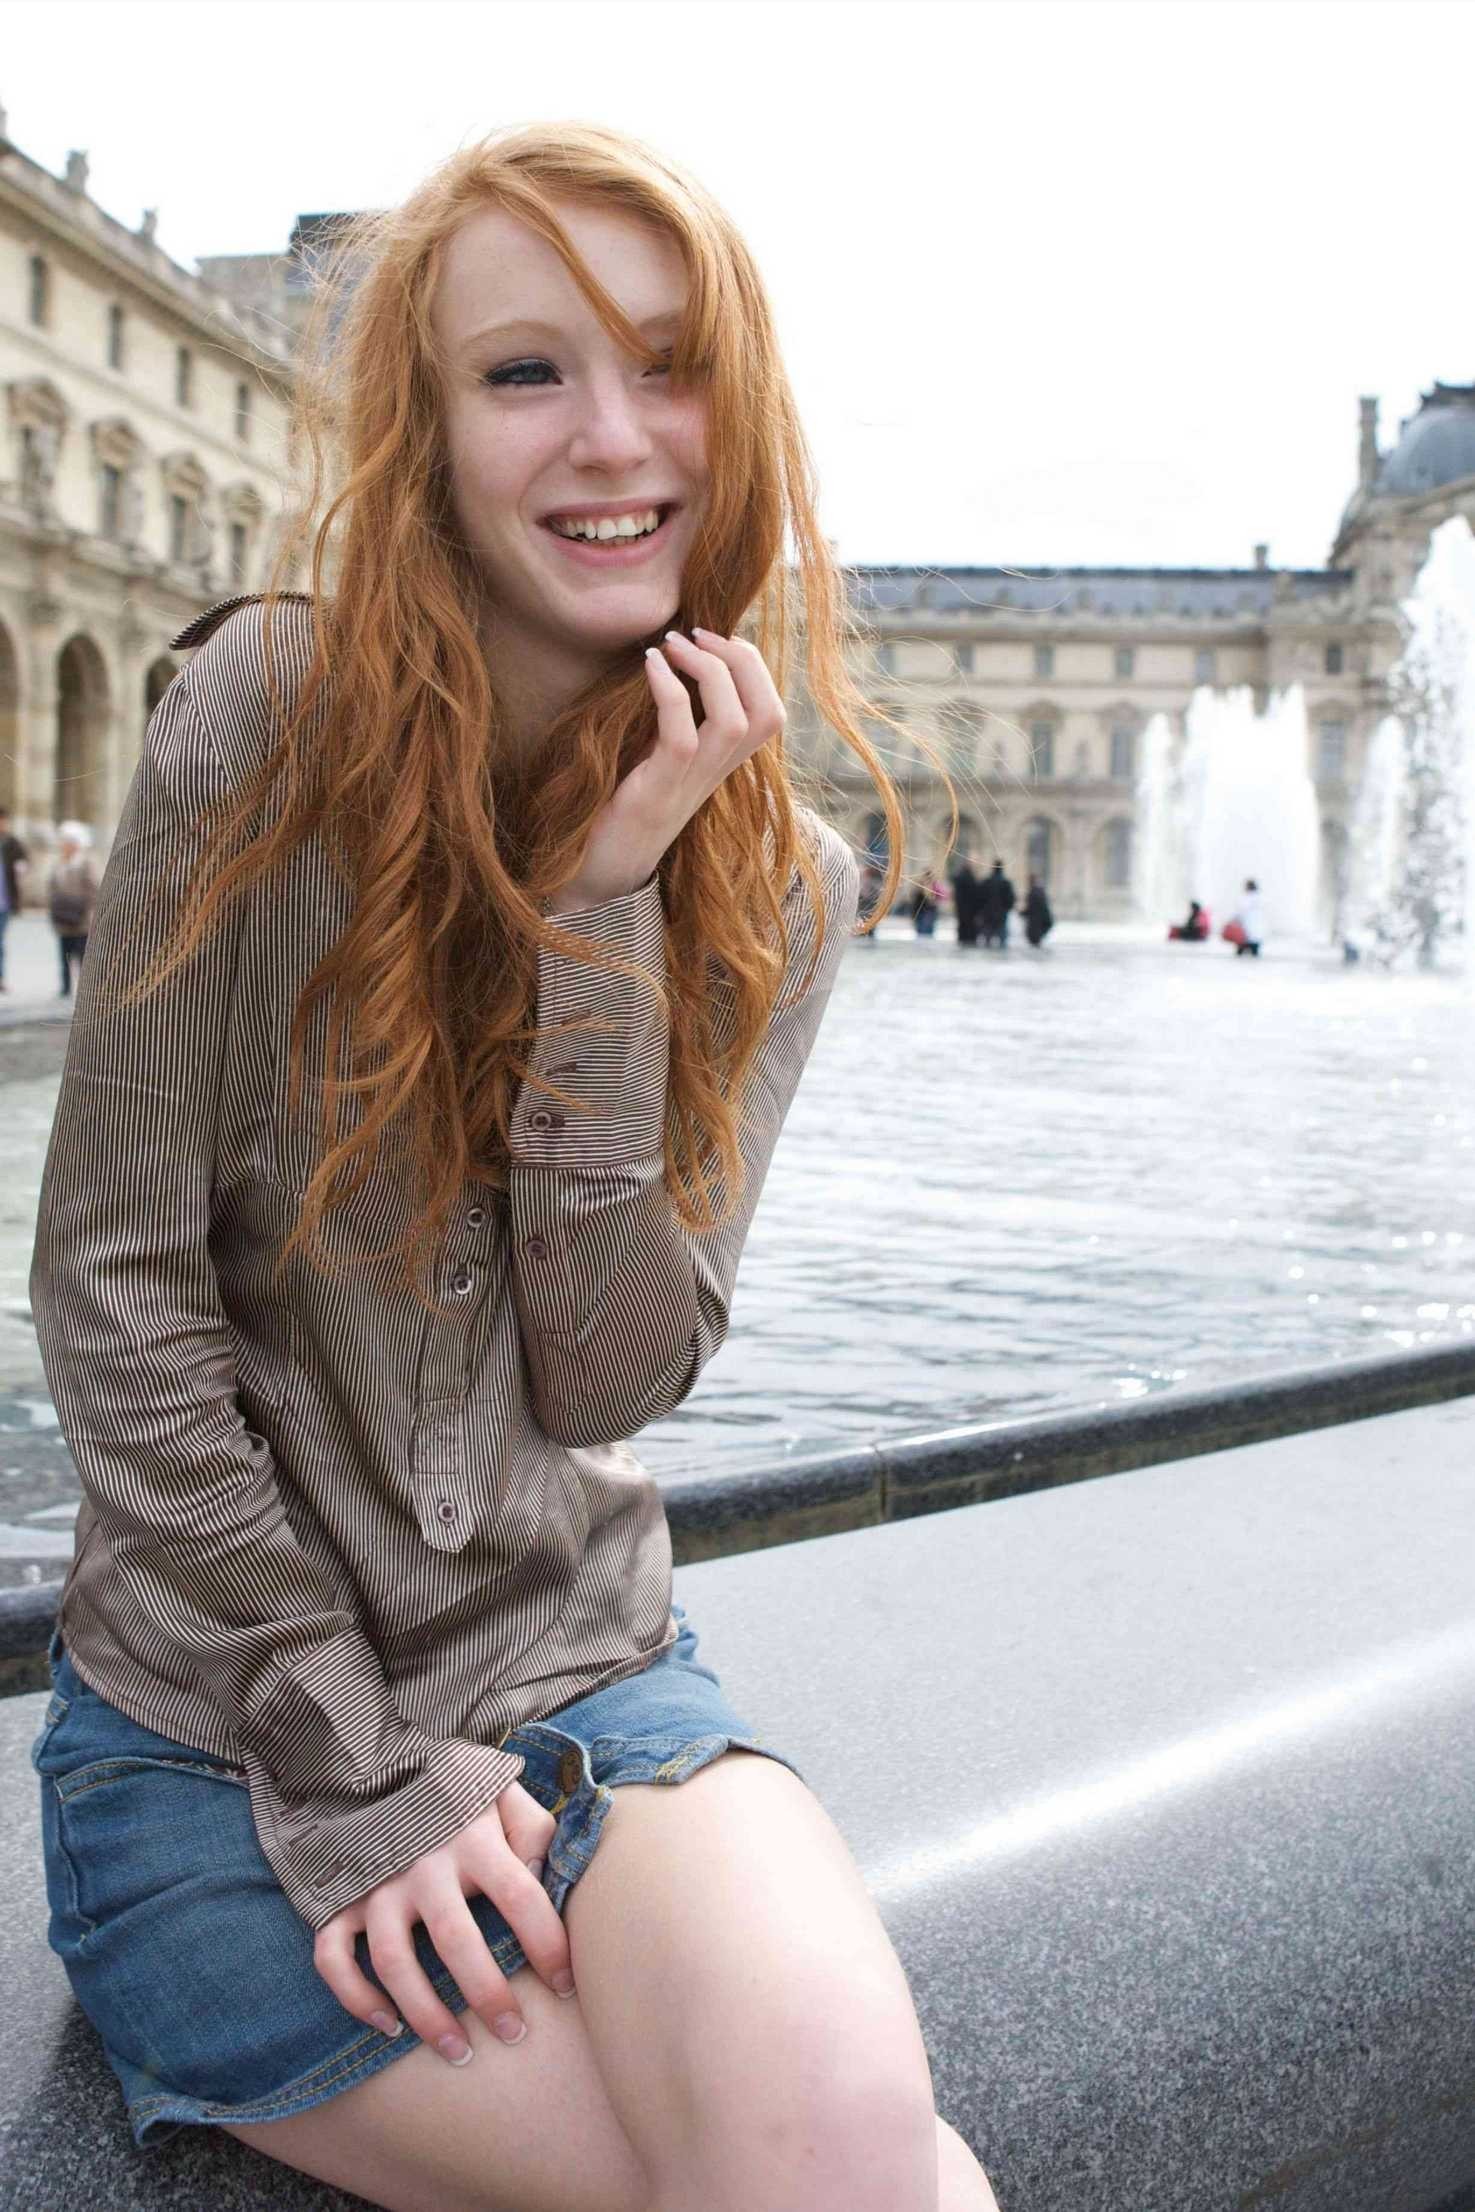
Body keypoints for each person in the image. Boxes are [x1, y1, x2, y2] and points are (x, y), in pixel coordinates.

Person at [27, 124, 999, 2212]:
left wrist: (601, 919)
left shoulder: (779, 880)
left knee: (850, 2148)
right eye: (523, 372)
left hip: (587, 1677)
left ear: (740, 410)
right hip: (220, 1734)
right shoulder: (262, 717)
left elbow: (608, 1375)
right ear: (432, 432)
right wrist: (348, 1751)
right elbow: (110, 1285)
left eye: (667, 362)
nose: (611, 436)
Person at [45, 818, 99, 997]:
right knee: (64, 954)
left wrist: (86, 909)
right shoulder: (58, 863)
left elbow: (93, 888)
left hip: (81, 918)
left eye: (68, 842)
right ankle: (65, 986)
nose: (65, 846)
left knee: (82, 954)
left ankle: (84, 988)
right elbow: (51, 886)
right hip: (62, 917)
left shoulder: (85, 863)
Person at [0, 805, 30, 991]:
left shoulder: (12, 843)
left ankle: (1, 977)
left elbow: (24, 862)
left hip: (4, 902)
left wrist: (22, 868)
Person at [976, 857, 1016, 948]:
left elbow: (979, 898)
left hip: (988, 914)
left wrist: (981, 910)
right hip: (1001, 914)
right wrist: (1006, 908)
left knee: (988, 939)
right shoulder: (1006, 883)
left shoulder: (987, 882)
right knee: (1002, 939)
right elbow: (1011, 899)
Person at [951, 851, 981, 945]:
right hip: (968, 908)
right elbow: (974, 892)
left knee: (963, 925)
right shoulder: (968, 877)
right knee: (968, 926)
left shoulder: (960, 876)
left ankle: (964, 939)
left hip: (962, 907)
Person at [1230, 877, 1265, 957]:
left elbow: (1239, 911)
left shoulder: (1245, 898)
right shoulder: (1260, 898)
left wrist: (1233, 920)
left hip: (1245, 932)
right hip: (1256, 933)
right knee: (1254, 953)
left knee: (1240, 953)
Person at [1022, 873, 1053, 948]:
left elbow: (1033, 906)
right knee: (1035, 938)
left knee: (1035, 937)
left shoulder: (1034, 892)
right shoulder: (1039, 891)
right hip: (1038, 919)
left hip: (1036, 919)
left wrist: (1024, 912)